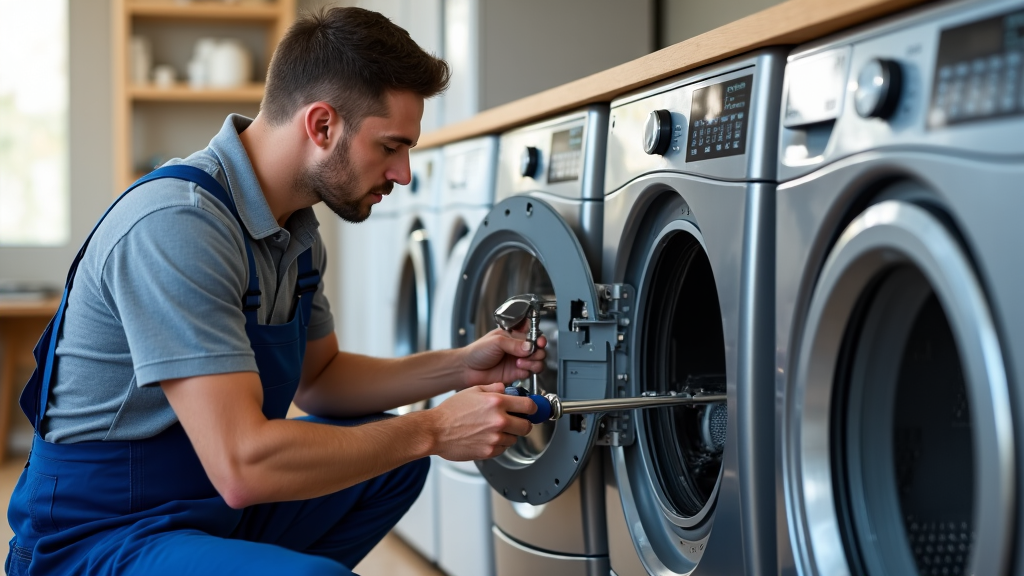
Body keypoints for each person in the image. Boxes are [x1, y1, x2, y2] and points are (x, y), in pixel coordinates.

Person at [6, 7, 544, 576]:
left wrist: (462, 368)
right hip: (96, 535)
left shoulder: (298, 235)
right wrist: (434, 429)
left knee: (394, 464)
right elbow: (243, 466)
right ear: (321, 126)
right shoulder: (178, 224)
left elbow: (321, 379)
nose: (404, 173)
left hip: (206, 508)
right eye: (390, 147)